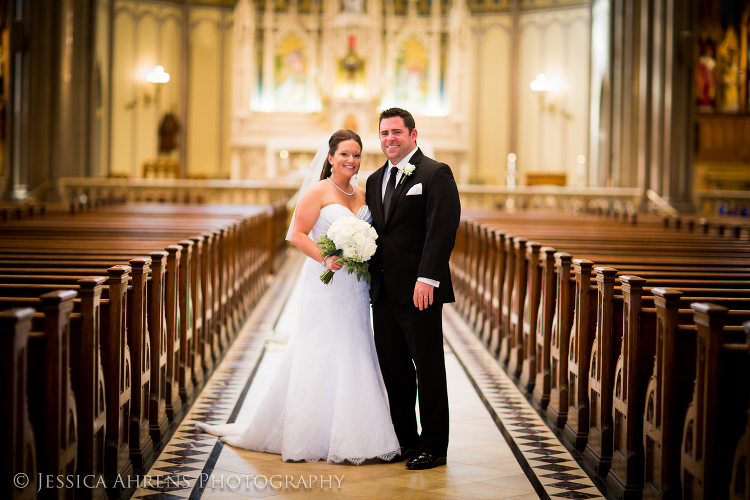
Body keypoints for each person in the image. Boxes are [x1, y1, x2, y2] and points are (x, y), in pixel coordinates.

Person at [195, 130, 400, 464]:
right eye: (344, 154)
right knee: (321, 347)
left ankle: (359, 433)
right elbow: (297, 233)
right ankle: (312, 432)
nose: (351, 161)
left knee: (355, 345)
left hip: (356, 287)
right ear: (331, 157)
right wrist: (324, 258)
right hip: (327, 283)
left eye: (357, 155)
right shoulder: (319, 191)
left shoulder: (364, 194)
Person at [365, 108, 461, 470]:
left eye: (396, 132)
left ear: (413, 134)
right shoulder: (374, 180)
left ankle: (435, 445)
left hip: (420, 289)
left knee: (428, 365)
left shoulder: (435, 173)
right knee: (394, 367)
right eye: (384, 133)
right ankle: (406, 440)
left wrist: (429, 278)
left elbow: (442, 228)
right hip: (384, 290)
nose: (390, 139)